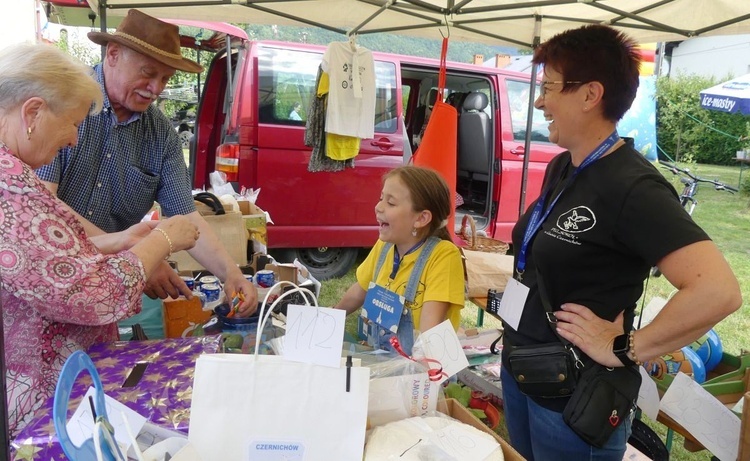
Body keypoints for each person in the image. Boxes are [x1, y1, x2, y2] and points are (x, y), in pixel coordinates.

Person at [500, 24, 742, 460]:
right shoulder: (564, 167)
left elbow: (718, 290)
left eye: (550, 86)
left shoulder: (634, 187)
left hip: (575, 397)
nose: (540, 100)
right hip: (526, 371)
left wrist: (628, 347)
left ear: (591, 95)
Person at [0, 43, 200, 437]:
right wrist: (158, 241)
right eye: (73, 123)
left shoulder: (15, 176)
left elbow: (48, 257)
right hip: (36, 412)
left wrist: (118, 241)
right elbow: (91, 295)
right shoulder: (10, 188)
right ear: (33, 113)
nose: (74, 139)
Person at [35, 9, 257, 322]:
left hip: (100, 291)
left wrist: (231, 273)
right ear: (113, 54)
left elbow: (186, 213)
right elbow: (43, 204)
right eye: (147, 72)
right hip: (44, 282)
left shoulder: (162, 135)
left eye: (165, 78)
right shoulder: (65, 105)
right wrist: (139, 255)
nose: (155, 88)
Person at [334, 166, 464, 354]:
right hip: (382, 359)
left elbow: (430, 333)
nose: (378, 207)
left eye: (391, 203)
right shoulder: (385, 246)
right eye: (381, 198)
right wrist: (330, 316)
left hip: (420, 369)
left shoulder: (443, 256)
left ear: (421, 218)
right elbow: (359, 291)